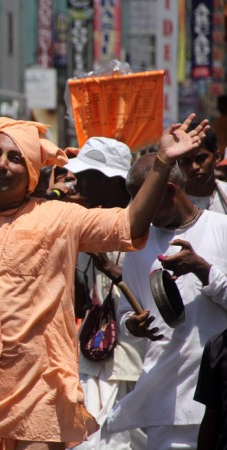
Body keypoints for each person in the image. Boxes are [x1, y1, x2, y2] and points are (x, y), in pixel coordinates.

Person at [0, 81, 209, 449]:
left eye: (15, 158)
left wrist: (162, 163)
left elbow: (129, 226)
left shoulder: (60, 217)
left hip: (41, 394)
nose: (1, 164)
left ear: (32, 172)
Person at [105, 153, 227, 449]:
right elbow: (125, 316)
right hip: (166, 400)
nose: (140, 210)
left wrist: (202, 269)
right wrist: (132, 325)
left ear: (171, 191)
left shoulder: (221, 229)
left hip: (219, 395)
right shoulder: (139, 246)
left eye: (147, 199)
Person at [65, 137, 146, 450]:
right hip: (93, 357)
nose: (79, 182)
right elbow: (80, 301)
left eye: (89, 176)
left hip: (134, 358)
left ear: (114, 181)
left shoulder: (144, 224)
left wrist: (113, 270)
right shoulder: (85, 223)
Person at [178, 126, 227, 214]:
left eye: (200, 158)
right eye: (186, 161)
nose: (194, 166)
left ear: (217, 157)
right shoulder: (170, 199)